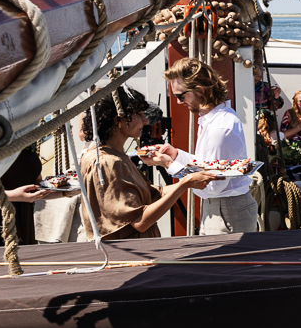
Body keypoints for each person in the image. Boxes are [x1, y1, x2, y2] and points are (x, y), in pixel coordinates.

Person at [78, 88, 218, 240]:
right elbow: (140, 222)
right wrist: (184, 184)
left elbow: (151, 193)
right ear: (119, 120)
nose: (145, 121)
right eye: (138, 115)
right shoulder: (108, 162)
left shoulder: (113, 154)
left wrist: (196, 178)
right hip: (128, 254)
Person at [151, 58, 259, 234]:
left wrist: (169, 165)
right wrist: (176, 155)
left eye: (180, 96)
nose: (178, 102)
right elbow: (206, 166)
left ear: (199, 91)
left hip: (225, 211)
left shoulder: (219, 129)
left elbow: (212, 184)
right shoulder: (214, 119)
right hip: (222, 208)